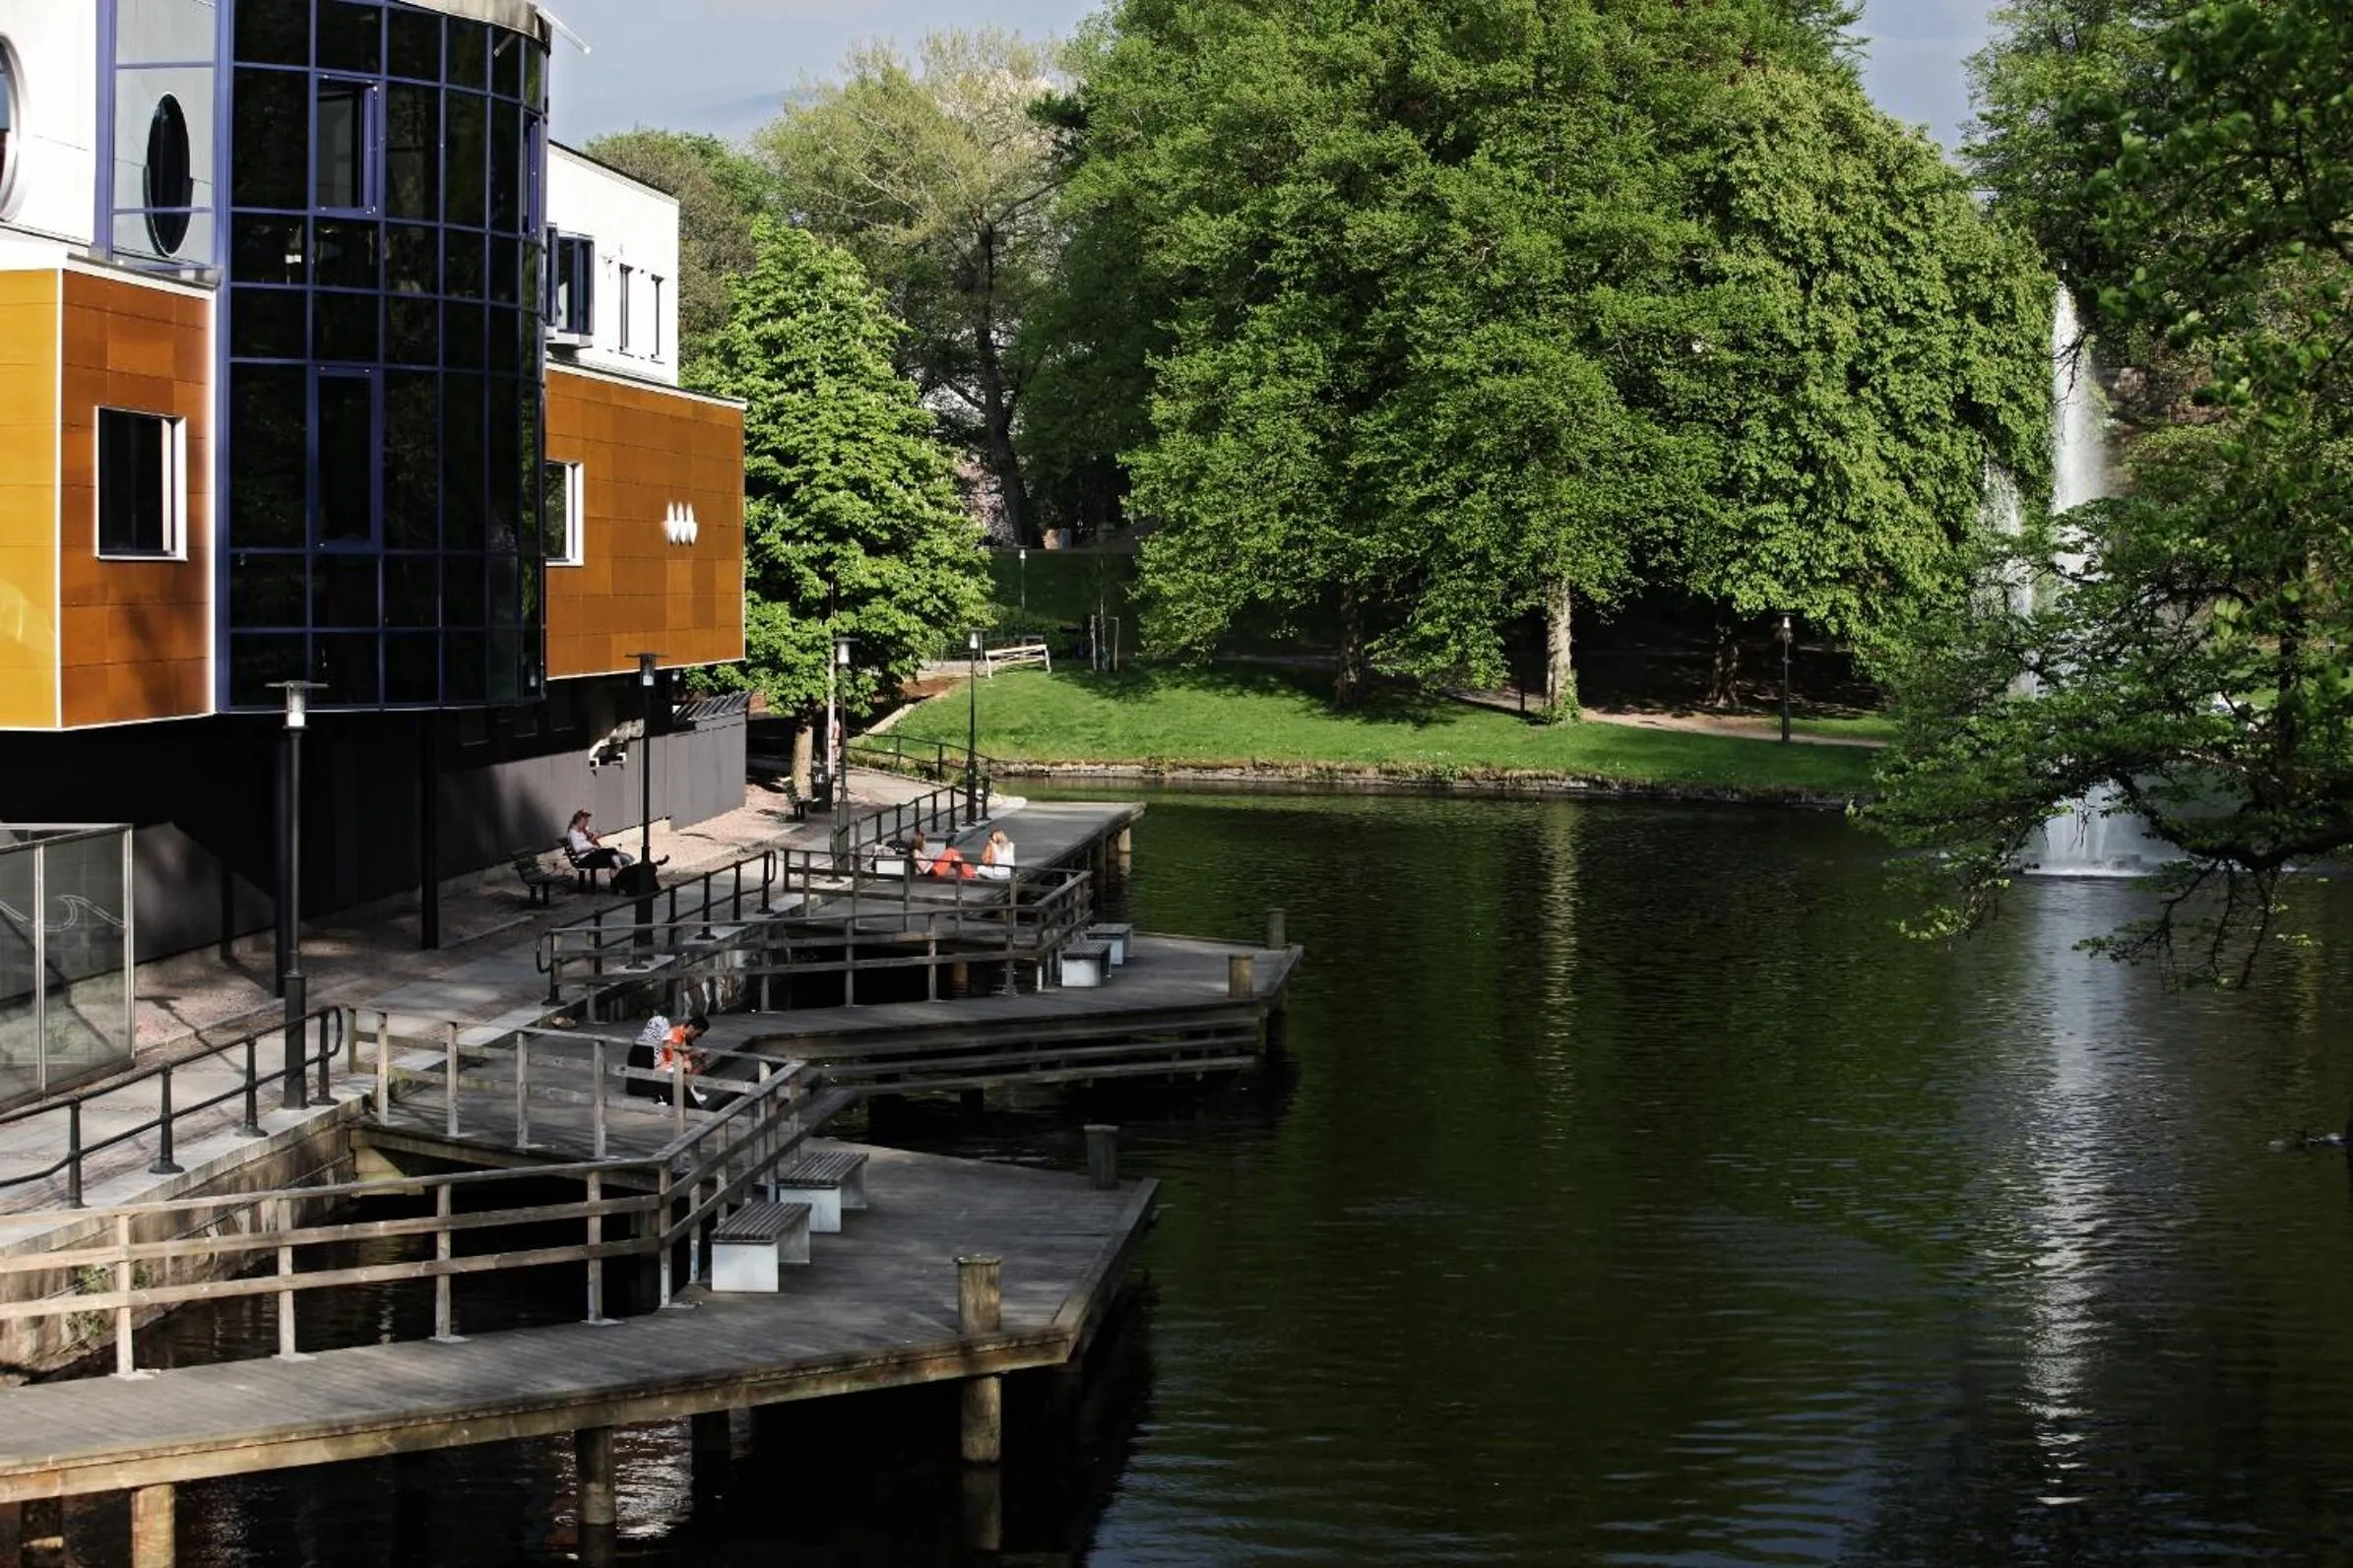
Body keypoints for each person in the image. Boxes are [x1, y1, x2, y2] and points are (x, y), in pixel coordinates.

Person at [565, 809, 633, 871]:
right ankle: (622, 866)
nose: (586, 824)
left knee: (611, 850)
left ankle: (622, 861)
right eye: (585, 821)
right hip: (584, 859)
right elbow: (577, 849)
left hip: (590, 855)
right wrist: (593, 847)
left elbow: (585, 842)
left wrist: (593, 837)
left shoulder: (581, 831)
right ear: (580, 820)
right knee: (610, 856)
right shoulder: (572, 833)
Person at [909, 830, 975, 880]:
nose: (925, 842)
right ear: (920, 842)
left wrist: (933, 858)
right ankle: (970, 872)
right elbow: (926, 869)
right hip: (934, 871)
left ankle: (969, 872)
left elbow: (925, 864)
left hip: (934, 868)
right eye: (924, 840)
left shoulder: (916, 852)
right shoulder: (916, 853)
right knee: (951, 851)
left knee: (955, 857)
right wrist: (933, 861)